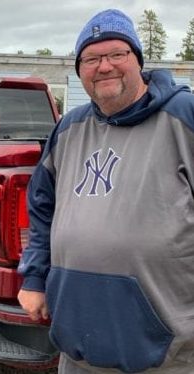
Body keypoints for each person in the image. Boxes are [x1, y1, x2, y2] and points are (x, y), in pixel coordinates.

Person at [17, 9, 194, 374]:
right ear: (80, 69)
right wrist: (34, 278)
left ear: (138, 60)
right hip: (77, 351)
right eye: (92, 58)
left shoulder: (183, 116)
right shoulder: (68, 128)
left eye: (117, 54)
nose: (104, 66)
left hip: (168, 358)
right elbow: (41, 206)